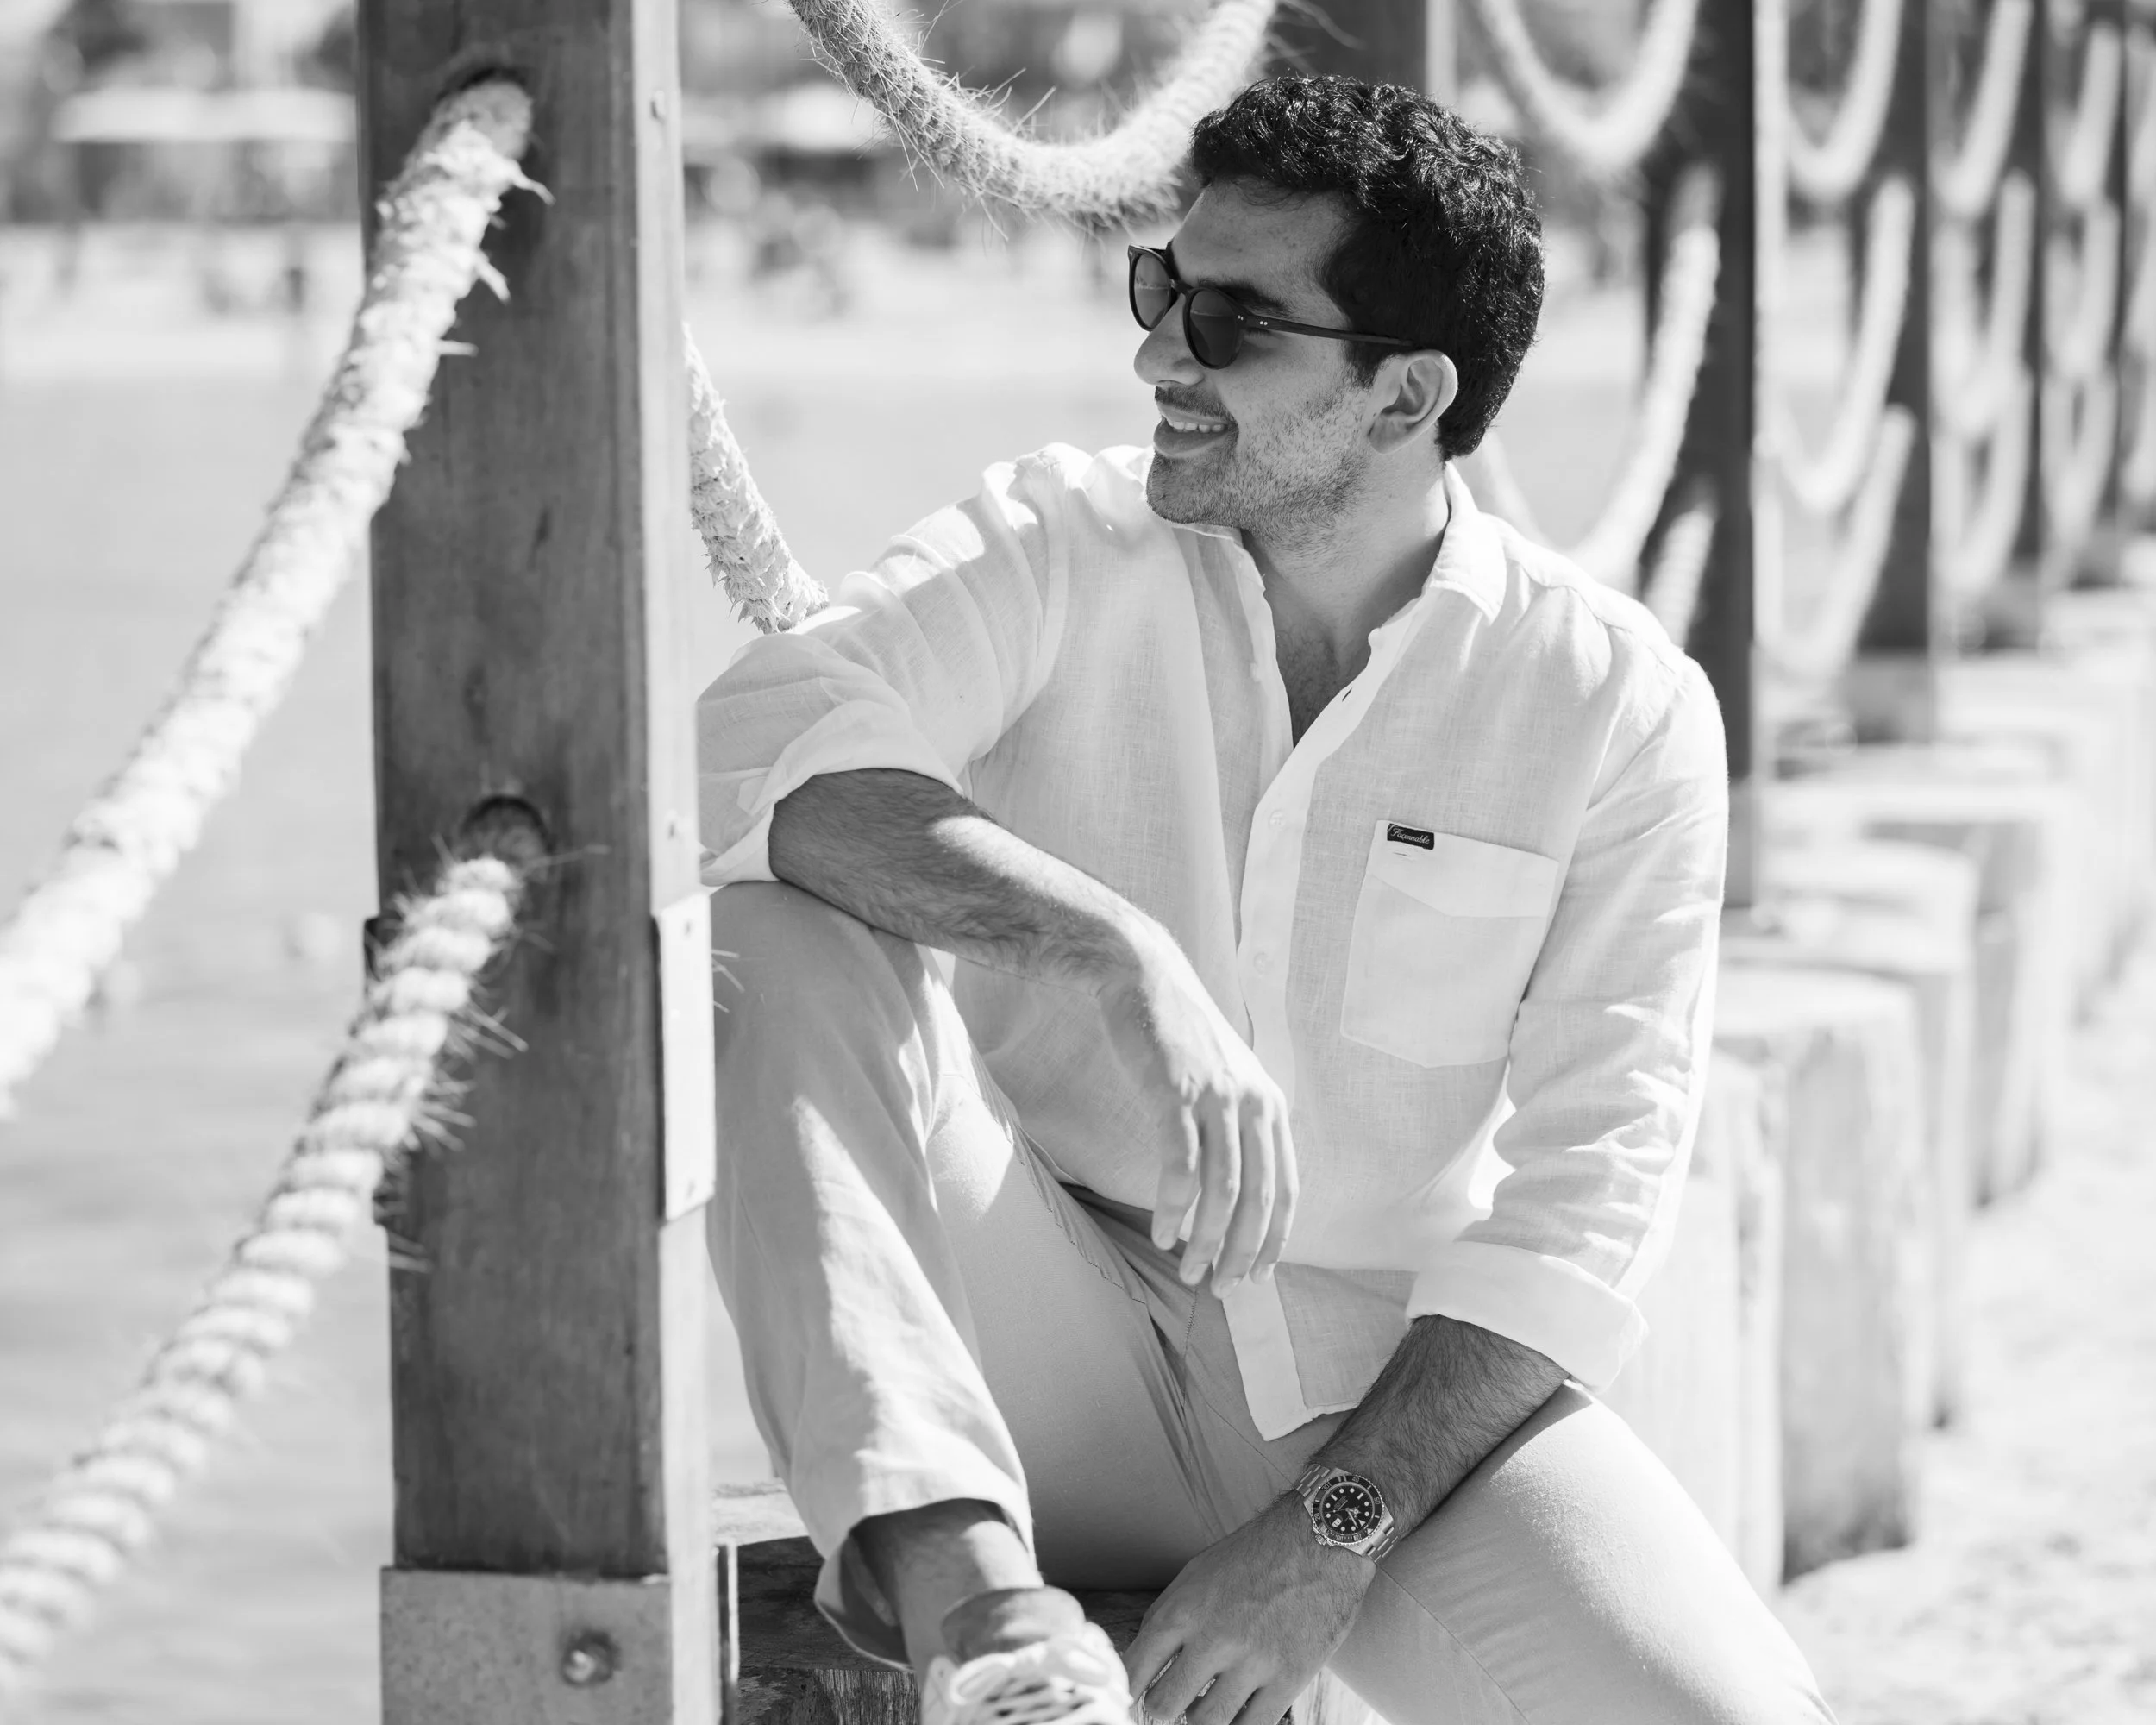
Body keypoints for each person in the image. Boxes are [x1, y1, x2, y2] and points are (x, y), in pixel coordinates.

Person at [697, 74, 1833, 1725]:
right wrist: (1104, 947)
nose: (1160, 353)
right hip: (1039, 1341)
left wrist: (1331, 1534)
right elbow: (758, 750)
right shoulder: (1059, 541)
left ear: (1403, 398)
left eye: (1229, 323)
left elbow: (1584, 1210)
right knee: (766, 938)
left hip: (1387, 1413)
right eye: (1161, 289)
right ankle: (981, 1615)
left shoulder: (1613, 706)